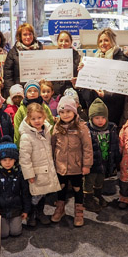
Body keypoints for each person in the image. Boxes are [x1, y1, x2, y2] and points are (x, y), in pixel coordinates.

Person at [50, 96, 93, 227]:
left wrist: (87, 165)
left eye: (68, 111)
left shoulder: (81, 127)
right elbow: (52, 146)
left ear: (74, 111)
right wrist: (52, 162)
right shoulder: (56, 127)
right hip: (60, 166)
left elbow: (87, 147)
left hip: (77, 166)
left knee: (77, 188)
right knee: (61, 188)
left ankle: (79, 212)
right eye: (62, 112)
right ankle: (60, 208)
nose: (65, 115)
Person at [19, 103, 61, 226]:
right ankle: (32, 214)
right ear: (28, 119)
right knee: (34, 194)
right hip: (35, 171)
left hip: (46, 168)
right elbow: (24, 158)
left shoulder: (47, 131)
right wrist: (29, 174)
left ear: (44, 117)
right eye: (33, 118)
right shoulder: (26, 136)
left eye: (39, 117)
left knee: (43, 193)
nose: (37, 121)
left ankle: (40, 212)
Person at [79, 28, 128, 125]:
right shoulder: (94, 59)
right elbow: (88, 88)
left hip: (113, 108)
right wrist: (82, 73)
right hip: (97, 107)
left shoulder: (122, 59)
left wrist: (106, 94)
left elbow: (123, 88)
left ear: (113, 41)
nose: (103, 43)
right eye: (100, 41)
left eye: (106, 40)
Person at [0, 137, 31, 239]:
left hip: (16, 209)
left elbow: (25, 193)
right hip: (1, 210)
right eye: (4, 160)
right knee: (3, 234)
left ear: (15, 160)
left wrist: (26, 210)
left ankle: (15, 222)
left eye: (11, 159)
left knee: (16, 232)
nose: (7, 162)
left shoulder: (20, 174)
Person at [84, 99, 121, 212]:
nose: (100, 121)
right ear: (91, 118)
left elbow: (114, 145)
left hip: (104, 160)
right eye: (97, 118)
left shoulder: (111, 128)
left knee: (100, 179)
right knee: (89, 181)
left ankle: (97, 195)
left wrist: (115, 160)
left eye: (103, 117)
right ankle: (88, 199)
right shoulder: (86, 129)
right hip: (92, 162)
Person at [3, 23, 43, 95]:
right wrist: (12, 92)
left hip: (37, 90)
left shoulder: (41, 50)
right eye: (25, 35)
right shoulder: (13, 52)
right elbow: (8, 75)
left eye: (30, 34)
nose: (28, 37)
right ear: (20, 36)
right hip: (19, 91)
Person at [13, 80, 55, 145]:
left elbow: (50, 124)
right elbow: (17, 129)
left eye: (35, 91)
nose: (32, 93)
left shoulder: (44, 107)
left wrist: (51, 140)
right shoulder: (21, 110)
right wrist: (18, 145)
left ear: (39, 92)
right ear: (25, 93)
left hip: (44, 141)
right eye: (29, 91)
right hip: (27, 143)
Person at [52, 31, 82, 99]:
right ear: (57, 42)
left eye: (66, 41)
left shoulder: (78, 57)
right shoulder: (52, 56)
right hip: (55, 93)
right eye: (61, 40)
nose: (63, 43)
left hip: (72, 92)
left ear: (71, 42)